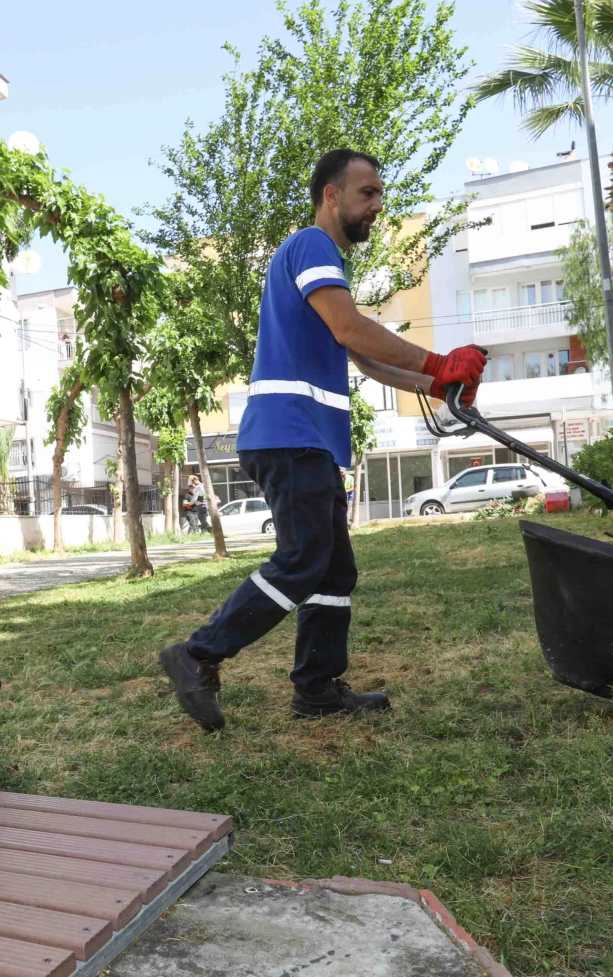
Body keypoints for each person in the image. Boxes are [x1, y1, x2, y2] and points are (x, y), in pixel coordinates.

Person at [158, 149, 486, 729]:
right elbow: (350, 327)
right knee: (305, 558)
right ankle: (196, 654)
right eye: (368, 193)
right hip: (290, 434)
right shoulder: (312, 246)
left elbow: (362, 354)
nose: (377, 206)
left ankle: (316, 689)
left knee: (333, 571)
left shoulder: (325, 266)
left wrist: (439, 385)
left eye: (380, 194)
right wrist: (439, 360)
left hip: (304, 437)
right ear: (331, 196)